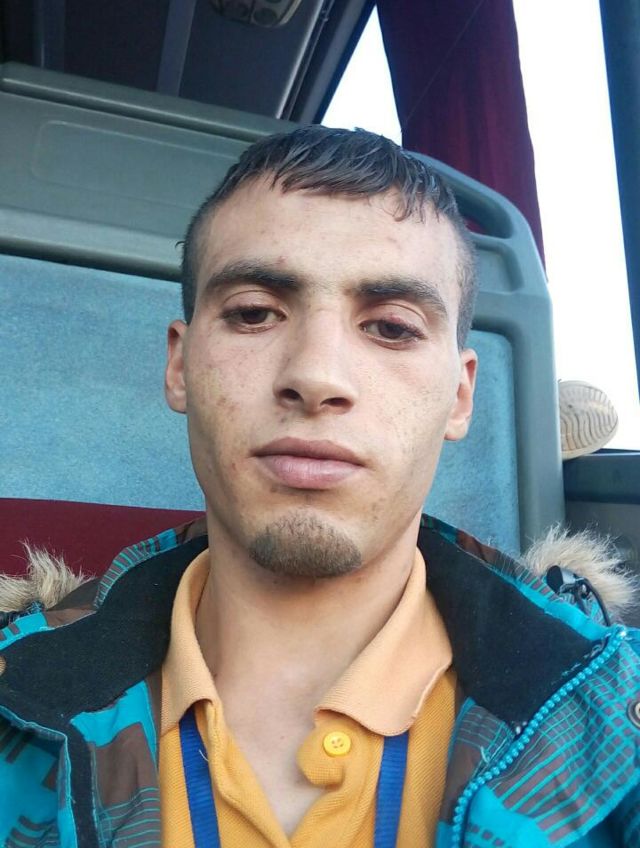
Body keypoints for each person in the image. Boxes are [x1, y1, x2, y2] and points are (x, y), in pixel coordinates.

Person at [0, 126, 638, 848]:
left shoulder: (616, 720)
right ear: (180, 367)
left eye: (391, 327)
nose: (316, 376)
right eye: (253, 313)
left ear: (460, 397)